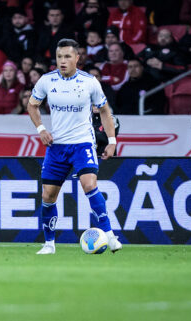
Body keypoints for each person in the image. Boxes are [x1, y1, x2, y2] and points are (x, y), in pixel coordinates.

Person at [26, 38, 122, 255]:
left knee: (89, 185)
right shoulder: (46, 81)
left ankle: (109, 235)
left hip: (82, 144)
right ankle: (49, 244)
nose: (63, 61)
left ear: (77, 58)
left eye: (67, 56)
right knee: (48, 196)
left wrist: (112, 141)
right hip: (57, 146)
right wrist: (41, 129)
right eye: (59, 56)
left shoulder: (90, 82)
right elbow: (32, 105)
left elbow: (105, 111)